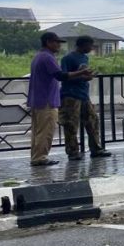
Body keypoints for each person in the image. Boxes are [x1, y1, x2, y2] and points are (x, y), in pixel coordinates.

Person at [27, 32, 92, 166]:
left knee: (37, 132)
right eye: (56, 42)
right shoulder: (47, 57)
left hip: (37, 99)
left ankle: (36, 157)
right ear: (48, 42)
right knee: (46, 131)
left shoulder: (38, 56)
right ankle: (40, 158)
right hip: (47, 101)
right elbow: (60, 75)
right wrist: (82, 72)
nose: (58, 45)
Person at [60, 35, 112, 161]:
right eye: (90, 45)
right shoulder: (67, 58)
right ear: (82, 45)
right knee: (71, 124)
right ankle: (73, 152)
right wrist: (82, 77)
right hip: (71, 95)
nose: (91, 47)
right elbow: (64, 76)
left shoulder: (85, 58)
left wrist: (89, 76)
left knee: (93, 121)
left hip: (83, 94)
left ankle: (96, 149)